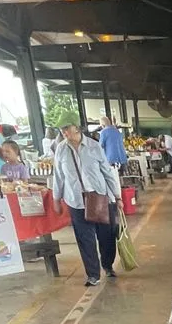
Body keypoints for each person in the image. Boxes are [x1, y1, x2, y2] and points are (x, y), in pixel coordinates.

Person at [52, 122, 123, 287]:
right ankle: (93, 275)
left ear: (77, 128)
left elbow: (107, 171)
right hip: (75, 201)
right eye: (62, 129)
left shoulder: (94, 146)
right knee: (85, 239)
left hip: (99, 197)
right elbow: (58, 175)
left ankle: (108, 265)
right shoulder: (61, 149)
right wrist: (56, 199)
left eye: (66, 127)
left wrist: (117, 197)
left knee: (106, 236)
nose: (64, 131)